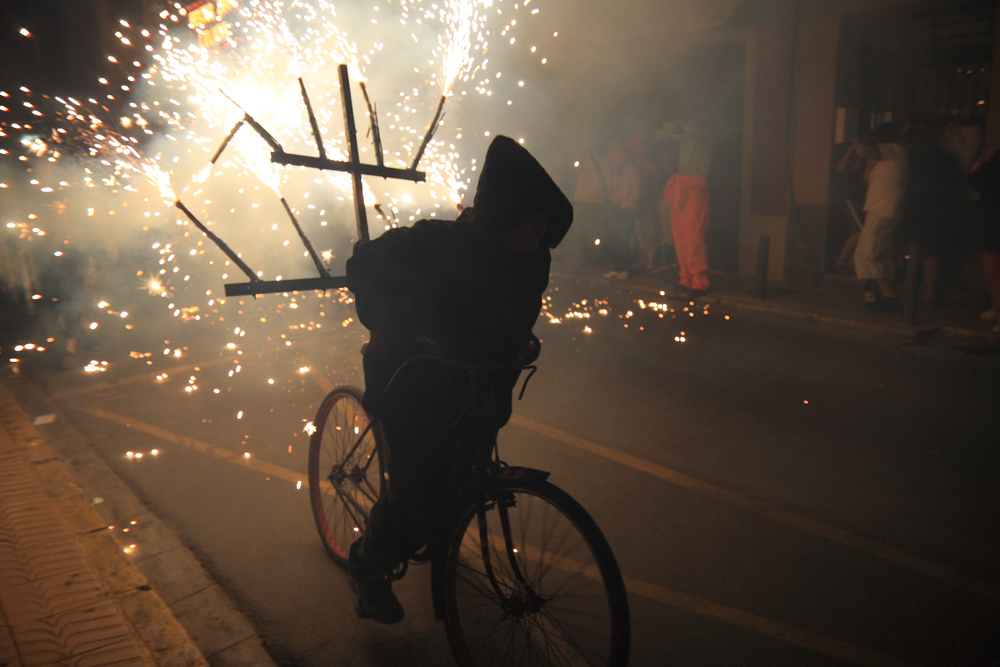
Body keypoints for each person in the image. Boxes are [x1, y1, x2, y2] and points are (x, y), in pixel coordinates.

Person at [344, 135, 573, 623]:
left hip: (474, 382)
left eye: (544, 220)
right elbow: (365, 264)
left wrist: (519, 344)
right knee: (415, 495)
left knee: (463, 474)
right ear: (503, 214)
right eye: (530, 215)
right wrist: (385, 326)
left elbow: (507, 318)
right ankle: (368, 564)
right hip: (411, 377)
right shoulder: (435, 242)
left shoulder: (533, 256)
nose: (540, 227)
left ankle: (440, 527)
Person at [852, 123, 909, 312]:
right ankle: (885, 292)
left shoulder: (893, 149)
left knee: (866, 253)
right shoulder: (886, 156)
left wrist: (855, 142)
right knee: (881, 254)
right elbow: (868, 181)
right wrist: (869, 166)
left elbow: (863, 152)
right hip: (880, 208)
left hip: (884, 208)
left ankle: (888, 293)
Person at [655, 117, 712, 298]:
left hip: (694, 191)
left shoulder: (704, 137)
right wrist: (677, 127)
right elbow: (667, 129)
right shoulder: (687, 139)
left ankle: (699, 282)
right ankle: (686, 278)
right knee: (680, 239)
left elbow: (688, 129)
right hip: (682, 189)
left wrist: (681, 125)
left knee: (693, 239)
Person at [968, 147, 1000, 334]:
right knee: (992, 273)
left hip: (993, 229)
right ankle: (996, 307)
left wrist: (978, 167)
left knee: (993, 273)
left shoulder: (990, 170)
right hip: (991, 228)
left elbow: (974, 182)